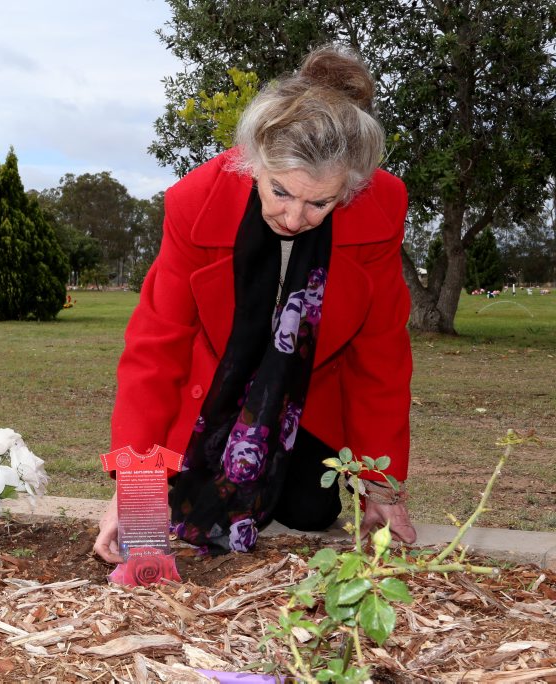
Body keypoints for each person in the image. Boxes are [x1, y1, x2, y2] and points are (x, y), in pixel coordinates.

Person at [94, 45, 416, 563]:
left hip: (307, 394)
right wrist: (132, 487)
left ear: (352, 188)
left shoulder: (381, 207)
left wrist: (380, 486)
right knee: (180, 505)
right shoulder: (192, 202)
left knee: (310, 509)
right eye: (281, 191)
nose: (294, 218)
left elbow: (379, 356)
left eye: (320, 202)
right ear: (254, 161)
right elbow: (156, 349)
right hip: (213, 394)